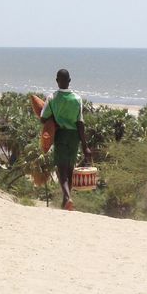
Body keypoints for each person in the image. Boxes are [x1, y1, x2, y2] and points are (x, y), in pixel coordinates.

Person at [40, 69, 90, 210]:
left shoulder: (52, 98)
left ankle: (68, 197)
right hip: (74, 137)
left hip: (60, 134)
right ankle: (65, 203)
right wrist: (85, 146)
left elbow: (43, 118)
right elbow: (80, 123)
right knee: (69, 170)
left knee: (61, 171)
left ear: (57, 81)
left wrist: (54, 119)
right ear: (69, 81)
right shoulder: (77, 99)